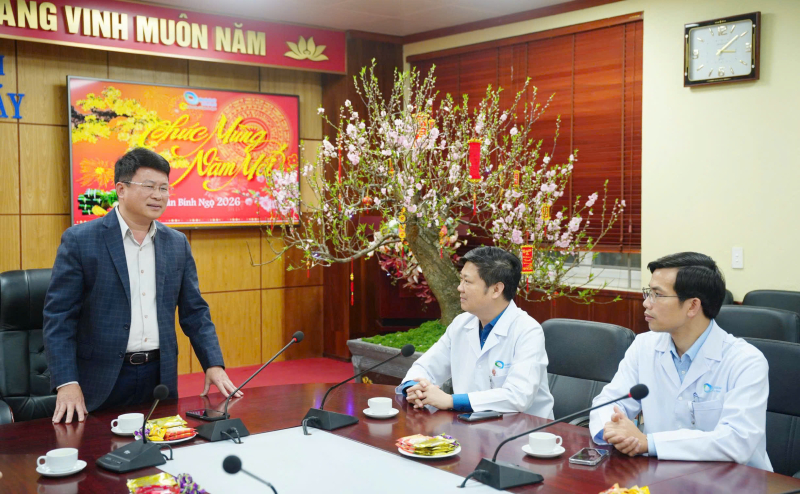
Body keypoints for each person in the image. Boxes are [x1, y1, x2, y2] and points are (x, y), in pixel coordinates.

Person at [44, 148, 242, 424]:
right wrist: (66, 382)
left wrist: (213, 364)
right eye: (149, 186)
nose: (158, 195)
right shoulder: (81, 240)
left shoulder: (176, 243)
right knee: (97, 447)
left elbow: (195, 312)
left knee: (161, 445)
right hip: (100, 377)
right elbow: (59, 317)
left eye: (164, 188)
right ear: (121, 189)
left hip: (159, 376)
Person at [589, 252, 771, 470]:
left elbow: (737, 440)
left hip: (734, 480)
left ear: (692, 306)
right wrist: (613, 430)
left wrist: (649, 442)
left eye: (657, 295)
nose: (646, 303)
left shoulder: (746, 361)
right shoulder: (644, 346)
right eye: (648, 292)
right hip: (661, 474)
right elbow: (609, 401)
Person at [396, 246, 554, 418]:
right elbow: (426, 367)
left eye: (467, 281)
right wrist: (414, 389)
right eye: (461, 280)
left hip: (523, 431)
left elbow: (518, 396)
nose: (460, 288)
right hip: (468, 425)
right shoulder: (461, 324)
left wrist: (450, 400)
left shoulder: (527, 331)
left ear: (496, 289)